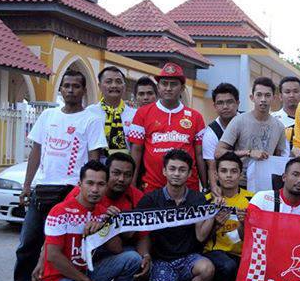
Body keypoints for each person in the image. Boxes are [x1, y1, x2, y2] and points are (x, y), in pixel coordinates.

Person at [1, 70, 107, 281]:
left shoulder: (91, 120)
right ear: (60, 90)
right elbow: (36, 152)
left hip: (72, 191)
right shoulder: (48, 116)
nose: (71, 90)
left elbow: (94, 159)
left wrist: (91, 190)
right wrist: (27, 186)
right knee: (29, 241)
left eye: (76, 86)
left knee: (68, 246)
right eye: (66, 86)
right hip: (43, 188)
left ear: (83, 90)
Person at [40, 161, 141, 281]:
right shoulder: (60, 212)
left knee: (132, 258)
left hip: (85, 271)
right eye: (90, 183)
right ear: (79, 184)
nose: (95, 189)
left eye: (101, 184)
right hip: (58, 279)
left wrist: (107, 226)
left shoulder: (102, 211)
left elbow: (117, 249)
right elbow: (53, 256)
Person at [136, 149, 215, 281]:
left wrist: (212, 214)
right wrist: (146, 255)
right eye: (172, 169)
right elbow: (140, 233)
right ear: (164, 171)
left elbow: (201, 237)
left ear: (189, 173)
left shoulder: (198, 199)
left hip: (188, 258)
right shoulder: (150, 200)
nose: (176, 174)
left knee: (207, 268)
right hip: (161, 261)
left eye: (182, 169)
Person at [129, 62, 207, 193]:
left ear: (182, 88)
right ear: (158, 87)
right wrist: (131, 186)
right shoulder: (142, 113)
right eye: (164, 83)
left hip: (188, 189)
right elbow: (136, 152)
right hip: (152, 187)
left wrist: (205, 186)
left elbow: (199, 155)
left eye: (173, 84)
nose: (168, 88)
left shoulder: (196, 117)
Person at [200, 152, 253, 281]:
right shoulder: (205, 200)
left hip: (240, 254)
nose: (228, 175)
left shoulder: (252, 200)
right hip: (213, 253)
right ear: (216, 174)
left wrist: (245, 223)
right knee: (227, 265)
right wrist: (215, 224)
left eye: (233, 171)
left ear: (240, 174)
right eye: (224, 171)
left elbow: (254, 237)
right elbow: (199, 239)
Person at [215, 77, 288, 186]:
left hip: (266, 184)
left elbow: (278, 157)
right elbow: (218, 152)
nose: (263, 99)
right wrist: (248, 152)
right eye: (259, 95)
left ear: (274, 98)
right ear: (252, 97)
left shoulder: (279, 126)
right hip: (239, 183)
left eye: (267, 95)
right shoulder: (239, 120)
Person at [87, 66, 136, 157]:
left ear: (124, 86)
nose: (114, 85)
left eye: (118, 82)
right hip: (96, 167)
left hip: (125, 168)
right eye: (108, 81)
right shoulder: (89, 113)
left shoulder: (135, 115)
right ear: (99, 86)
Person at [204, 83, 240, 196]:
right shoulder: (211, 132)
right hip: (226, 185)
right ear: (214, 106)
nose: (225, 106)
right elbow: (211, 166)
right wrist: (214, 187)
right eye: (220, 103)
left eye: (229, 102)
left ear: (238, 103)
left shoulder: (248, 121)